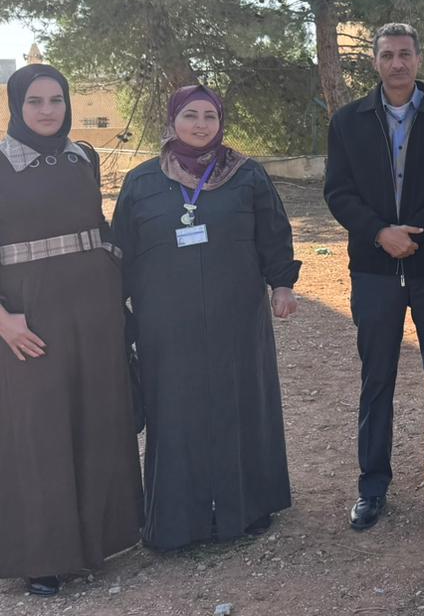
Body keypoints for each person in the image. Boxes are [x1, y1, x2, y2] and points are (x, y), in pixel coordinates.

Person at [114, 83, 300, 551]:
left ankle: (249, 506)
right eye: (190, 115)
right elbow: (122, 253)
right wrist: (115, 308)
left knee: (241, 402)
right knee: (175, 411)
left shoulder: (247, 175)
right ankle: (179, 521)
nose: (200, 125)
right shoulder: (141, 182)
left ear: (220, 123)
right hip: (165, 323)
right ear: (172, 120)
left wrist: (282, 284)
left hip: (236, 316)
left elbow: (273, 234)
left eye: (210, 116)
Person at [0, 65, 142, 596]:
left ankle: (97, 540)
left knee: (94, 416)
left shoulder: (83, 156)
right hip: (28, 316)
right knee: (37, 431)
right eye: (35, 101)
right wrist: (3, 319)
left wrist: (115, 277)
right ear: (16, 106)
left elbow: (97, 227)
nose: (47, 110)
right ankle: (43, 556)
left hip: (94, 309)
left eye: (56, 100)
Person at [324, 22, 424, 530]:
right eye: (387, 55)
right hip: (374, 271)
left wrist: (414, 236)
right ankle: (372, 486)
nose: (397, 64)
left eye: (405, 54)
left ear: (419, 59)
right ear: (375, 61)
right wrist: (379, 233)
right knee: (376, 379)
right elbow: (338, 192)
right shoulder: (348, 121)